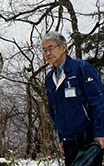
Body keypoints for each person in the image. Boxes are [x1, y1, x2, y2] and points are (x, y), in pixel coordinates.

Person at [42, 31, 104, 166]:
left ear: (63, 47)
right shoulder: (50, 78)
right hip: (68, 140)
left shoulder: (81, 68)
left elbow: (98, 101)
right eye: (44, 50)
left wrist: (100, 132)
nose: (48, 53)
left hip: (89, 138)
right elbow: (54, 110)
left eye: (51, 48)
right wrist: (60, 137)